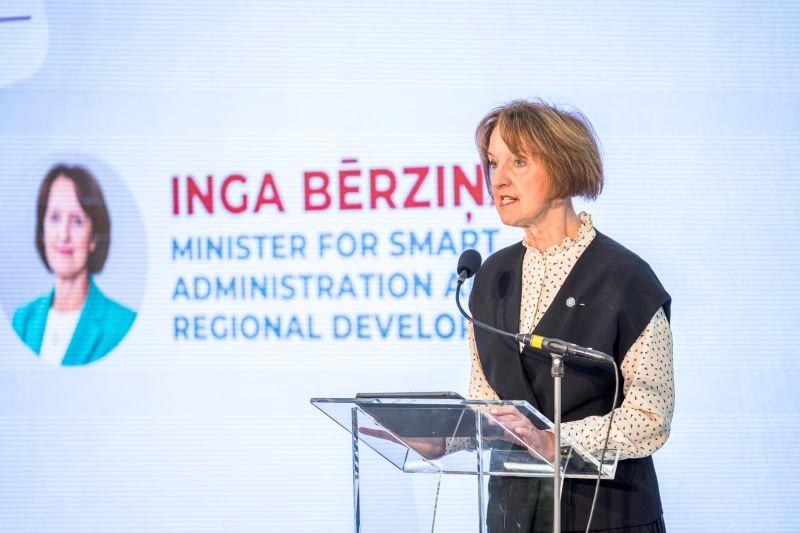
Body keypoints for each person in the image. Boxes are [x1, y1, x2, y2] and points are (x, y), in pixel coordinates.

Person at [467, 100, 673, 532]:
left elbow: (650, 417)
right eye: (493, 163)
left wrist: (555, 442)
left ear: (562, 166)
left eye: (518, 161)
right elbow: (486, 400)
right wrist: (445, 436)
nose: (498, 179)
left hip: (607, 515)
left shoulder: (626, 278)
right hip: (513, 515)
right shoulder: (491, 278)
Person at [13, 164, 136, 366]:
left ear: (94, 237)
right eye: (55, 218)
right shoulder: (22, 321)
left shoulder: (123, 325)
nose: (64, 235)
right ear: (43, 231)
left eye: (77, 221)